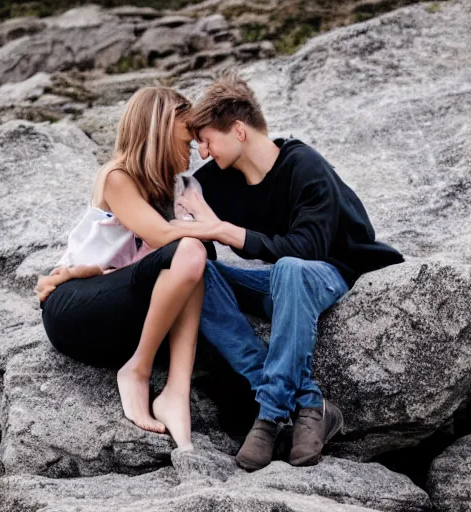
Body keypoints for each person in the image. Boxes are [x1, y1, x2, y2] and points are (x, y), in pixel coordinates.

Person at [172, 75, 405, 470]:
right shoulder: (216, 180)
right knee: (195, 273)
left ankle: (269, 415)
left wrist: (220, 229)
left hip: (332, 272)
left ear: (239, 130)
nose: (204, 152)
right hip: (278, 284)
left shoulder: (304, 166)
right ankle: (310, 404)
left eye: (208, 140)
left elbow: (306, 251)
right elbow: (159, 205)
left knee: (291, 268)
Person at [37, 87, 219, 451]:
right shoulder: (117, 176)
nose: (194, 148)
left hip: (128, 312)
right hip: (77, 308)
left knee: (196, 257)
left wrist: (203, 226)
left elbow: (200, 256)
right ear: (161, 127)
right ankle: (137, 371)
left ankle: (175, 392)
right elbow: (162, 235)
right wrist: (217, 226)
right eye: (187, 135)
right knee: (188, 248)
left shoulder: (181, 186)